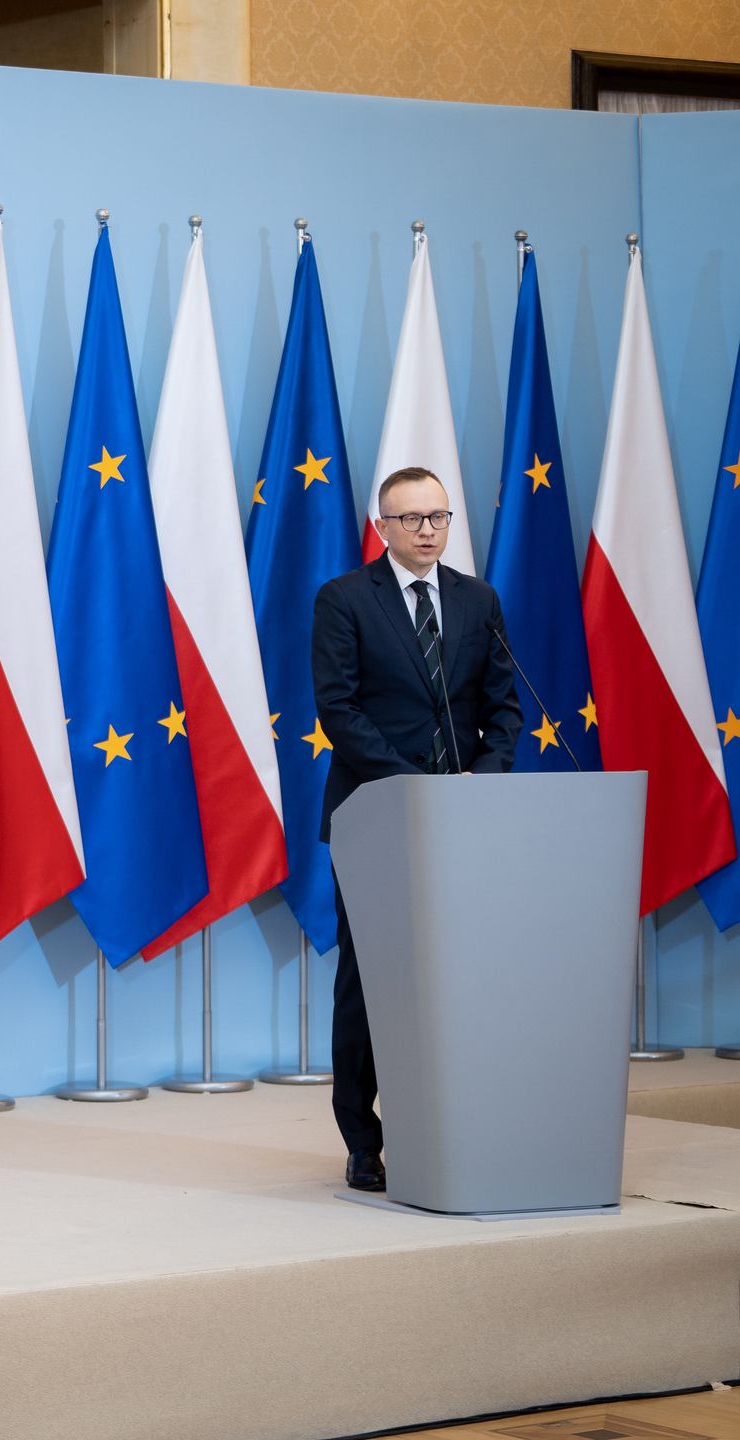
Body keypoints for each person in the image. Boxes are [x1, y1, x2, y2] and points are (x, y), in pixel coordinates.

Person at [311, 465, 521, 1193]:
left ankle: (461, 1124)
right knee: (369, 982)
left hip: (466, 817)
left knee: (463, 976)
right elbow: (339, 711)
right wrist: (411, 781)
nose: (429, 530)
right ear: (383, 527)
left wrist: (486, 777)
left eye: (439, 517)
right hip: (378, 814)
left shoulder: (478, 599)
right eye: (413, 519)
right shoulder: (344, 601)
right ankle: (364, 1141)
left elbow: (504, 707)